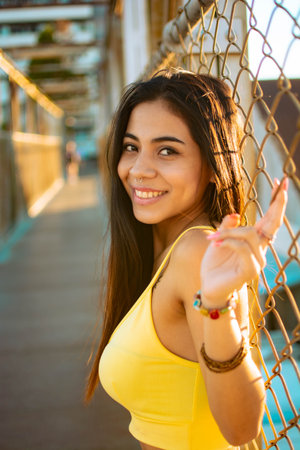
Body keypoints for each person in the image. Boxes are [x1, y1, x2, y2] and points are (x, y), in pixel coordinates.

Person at [85, 69, 288, 450]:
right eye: (131, 146)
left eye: (167, 150)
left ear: (213, 167)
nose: (138, 170)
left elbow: (241, 429)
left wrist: (215, 303)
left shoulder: (195, 253)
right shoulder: (161, 245)